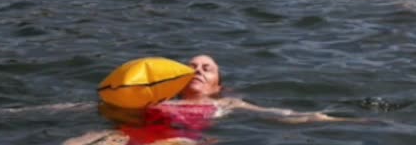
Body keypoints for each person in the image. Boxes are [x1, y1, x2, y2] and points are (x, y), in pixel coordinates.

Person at [61, 54, 349, 145]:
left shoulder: (225, 104)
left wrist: (335, 120)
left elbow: (282, 115)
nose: (197, 70)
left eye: (206, 68)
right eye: (192, 67)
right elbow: (87, 107)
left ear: (218, 85)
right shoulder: (156, 100)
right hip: (122, 136)